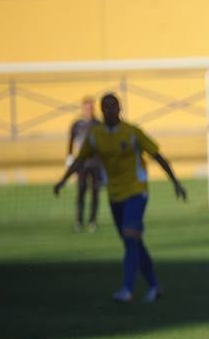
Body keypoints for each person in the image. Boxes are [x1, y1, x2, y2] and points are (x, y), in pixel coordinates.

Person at [55, 93, 186, 302]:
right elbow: (80, 160)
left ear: (120, 108)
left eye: (113, 106)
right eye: (105, 107)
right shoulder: (95, 135)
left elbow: (158, 156)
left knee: (131, 234)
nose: (109, 110)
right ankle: (154, 286)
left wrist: (176, 182)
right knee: (132, 242)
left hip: (136, 191)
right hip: (115, 194)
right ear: (101, 110)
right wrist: (63, 181)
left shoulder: (132, 133)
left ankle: (127, 289)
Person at [65, 96, 104, 232]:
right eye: (87, 107)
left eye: (91, 107)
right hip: (82, 163)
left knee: (95, 192)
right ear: (83, 108)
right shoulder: (77, 125)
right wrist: (69, 157)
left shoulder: (98, 124)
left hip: (95, 163)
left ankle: (93, 221)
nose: (89, 110)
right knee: (81, 190)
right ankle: (79, 220)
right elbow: (71, 141)